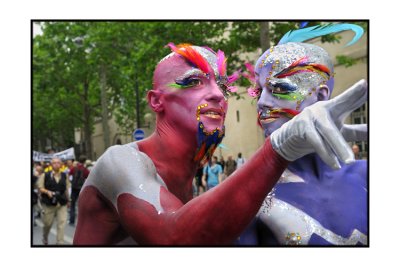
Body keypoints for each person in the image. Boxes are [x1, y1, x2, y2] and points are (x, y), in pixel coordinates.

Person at [73, 42, 365, 245]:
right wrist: (278, 151)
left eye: (222, 85)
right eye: (194, 82)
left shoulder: (199, 179)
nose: (218, 95)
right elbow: (174, 240)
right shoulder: (120, 162)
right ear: (156, 101)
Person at [240, 23, 368, 245]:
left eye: (279, 89)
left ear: (320, 97)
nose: (261, 103)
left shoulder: (366, 175)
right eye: (259, 91)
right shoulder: (250, 193)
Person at [37, 156, 71, 245]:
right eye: (54, 163)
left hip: (62, 203)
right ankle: (45, 236)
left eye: (58, 163)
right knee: (47, 224)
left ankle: (60, 242)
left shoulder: (65, 175)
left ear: (61, 165)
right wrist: (47, 191)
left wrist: (69, 200)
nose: (56, 164)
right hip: (49, 203)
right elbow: (40, 187)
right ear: (51, 165)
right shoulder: (45, 175)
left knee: (61, 223)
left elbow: (67, 189)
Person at [68, 155, 90, 225]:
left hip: (74, 188)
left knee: (73, 204)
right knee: (82, 204)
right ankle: (83, 221)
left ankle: (72, 221)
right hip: (81, 189)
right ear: (84, 161)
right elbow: (89, 178)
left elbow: (69, 175)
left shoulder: (74, 168)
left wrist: (71, 182)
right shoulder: (85, 169)